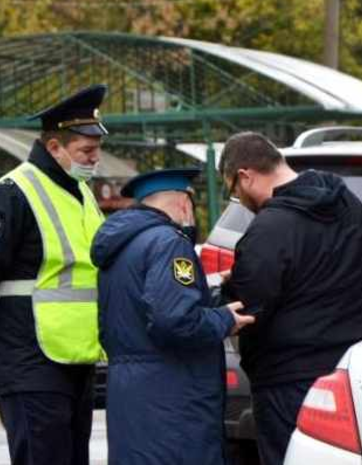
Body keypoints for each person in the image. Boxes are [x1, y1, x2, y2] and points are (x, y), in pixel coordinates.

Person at [0, 84, 109, 465]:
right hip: (30, 364)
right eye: (86, 150)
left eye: (97, 149)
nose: (95, 158)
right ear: (54, 147)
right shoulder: (13, 194)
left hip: (76, 361)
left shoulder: (81, 192)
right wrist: (9, 329)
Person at [219, 131, 362, 465]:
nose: (237, 198)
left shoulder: (269, 227)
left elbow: (250, 307)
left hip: (286, 375)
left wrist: (227, 291)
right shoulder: (350, 205)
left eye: (232, 189)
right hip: (344, 368)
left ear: (244, 176)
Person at [90, 168, 255, 465]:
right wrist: (224, 320)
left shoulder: (122, 246)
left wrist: (211, 287)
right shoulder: (170, 243)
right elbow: (175, 321)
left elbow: (143, 306)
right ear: (183, 204)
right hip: (172, 397)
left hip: (132, 393)